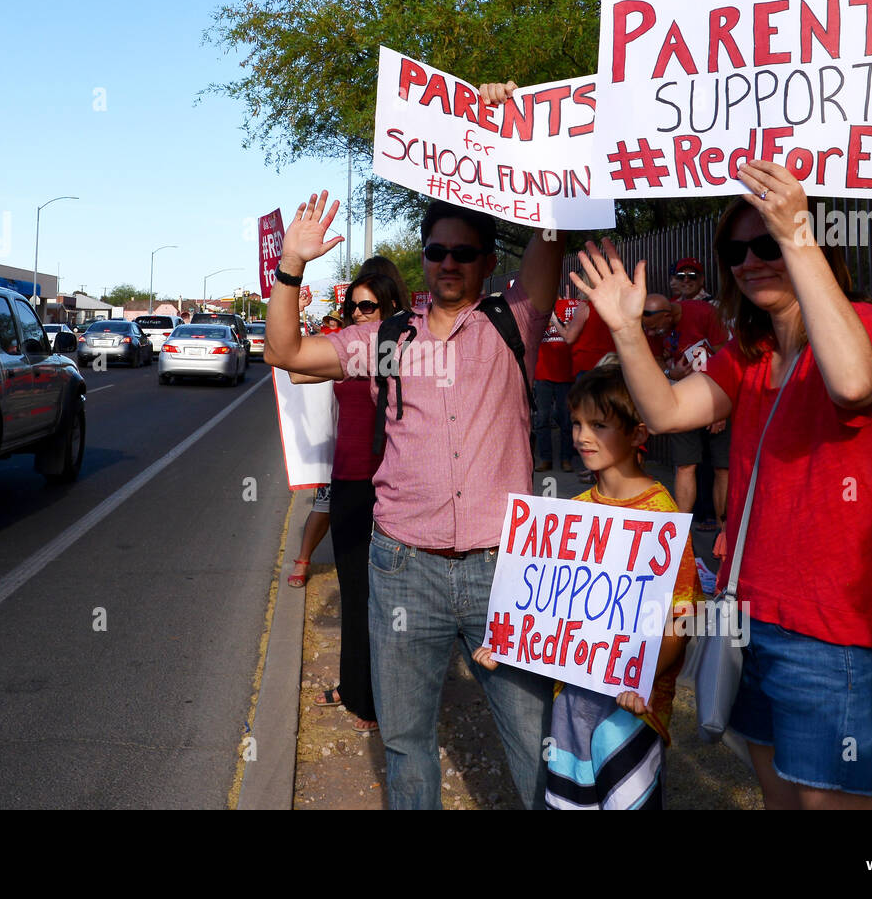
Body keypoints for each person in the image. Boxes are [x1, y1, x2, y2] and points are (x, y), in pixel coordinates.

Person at [573, 159, 872, 810]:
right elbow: (665, 412)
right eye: (736, 249)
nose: (750, 260)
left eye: (768, 242)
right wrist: (623, 329)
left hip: (833, 636)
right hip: (749, 623)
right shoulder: (747, 356)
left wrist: (798, 234)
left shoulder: (863, 326)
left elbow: (851, 383)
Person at [264, 128, 567, 808]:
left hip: (502, 569)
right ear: (423, 258)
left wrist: (516, 132)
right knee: (406, 746)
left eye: (464, 251)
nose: (449, 262)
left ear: (490, 261)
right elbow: (285, 351)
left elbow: (555, 223)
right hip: (404, 570)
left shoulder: (515, 319)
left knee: (532, 737)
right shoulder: (387, 337)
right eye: (437, 250)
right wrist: (292, 265)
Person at [474, 364, 702, 809]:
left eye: (599, 425)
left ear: (638, 434)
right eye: (577, 423)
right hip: (570, 704)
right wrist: (504, 643)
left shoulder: (662, 516)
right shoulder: (573, 511)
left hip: (631, 711)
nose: (581, 436)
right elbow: (543, 602)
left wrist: (645, 678)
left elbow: (682, 615)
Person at [293, 269, 406, 732]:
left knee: (384, 597)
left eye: (369, 307)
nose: (358, 315)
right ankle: (353, 683)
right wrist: (298, 321)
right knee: (353, 590)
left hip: (385, 482)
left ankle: (377, 699)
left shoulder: (400, 347)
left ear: (390, 309)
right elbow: (297, 370)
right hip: (346, 480)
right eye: (352, 307)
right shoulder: (348, 346)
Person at [641, 292, 730, 523]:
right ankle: (680, 533)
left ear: (668, 315)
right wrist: (671, 373)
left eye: (656, 329)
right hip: (681, 399)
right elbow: (656, 361)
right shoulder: (651, 323)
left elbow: (725, 355)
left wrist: (720, 406)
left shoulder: (703, 312)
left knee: (723, 468)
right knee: (685, 465)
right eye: (648, 330)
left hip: (716, 395)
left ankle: (724, 531)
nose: (651, 334)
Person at [533, 302, 579, 473]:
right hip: (543, 374)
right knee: (542, 419)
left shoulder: (570, 307)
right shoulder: (537, 310)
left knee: (565, 419)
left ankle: (566, 459)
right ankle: (546, 459)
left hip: (565, 374)